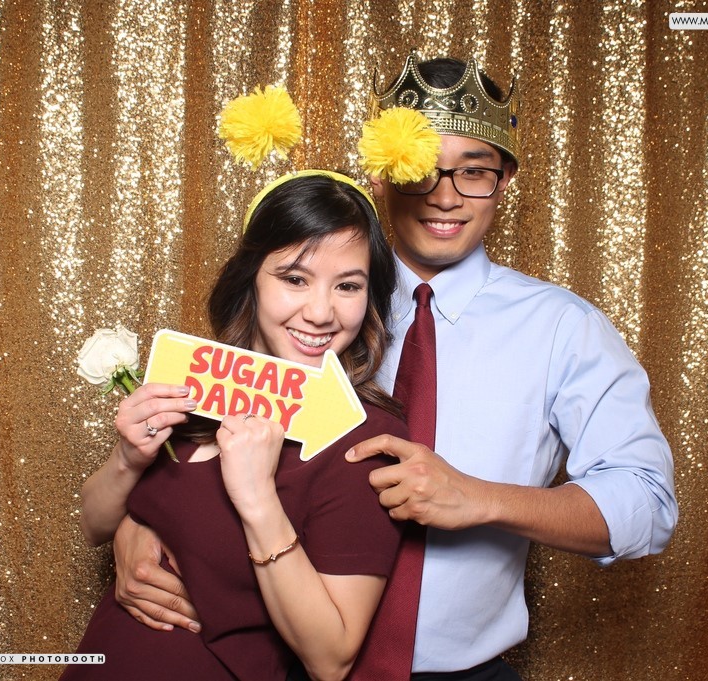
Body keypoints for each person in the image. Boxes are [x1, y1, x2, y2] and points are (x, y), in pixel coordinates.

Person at [112, 52, 678, 680]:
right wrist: (140, 523)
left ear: (506, 179)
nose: (446, 197)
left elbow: (647, 504)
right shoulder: (314, 311)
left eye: (475, 171)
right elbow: (204, 448)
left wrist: (480, 498)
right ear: (380, 177)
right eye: (421, 172)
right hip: (276, 663)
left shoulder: (563, 329)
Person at [62, 170, 410, 681]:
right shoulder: (196, 385)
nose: (320, 312)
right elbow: (94, 525)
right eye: (295, 279)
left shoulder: (364, 439)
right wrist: (127, 459)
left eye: (348, 286)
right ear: (251, 277)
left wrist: (257, 498)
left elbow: (331, 659)